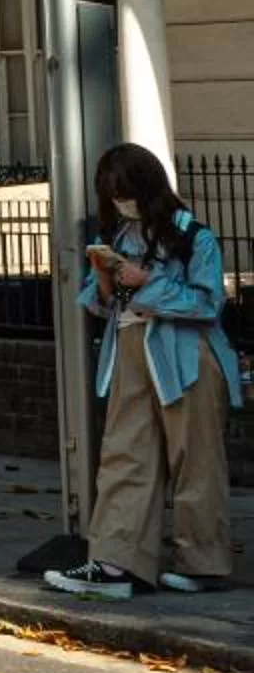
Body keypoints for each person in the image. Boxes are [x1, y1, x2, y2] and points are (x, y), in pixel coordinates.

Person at [45, 143, 243, 600]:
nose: (120, 201)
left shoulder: (194, 236)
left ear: (147, 187)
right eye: (112, 194)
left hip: (186, 355)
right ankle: (118, 564)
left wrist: (146, 282)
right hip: (131, 349)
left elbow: (207, 301)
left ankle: (202, 563)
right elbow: (101, 306)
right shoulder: (119, 236)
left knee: (195, 460)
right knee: (124, 453)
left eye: (126, 191)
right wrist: (107, 278)